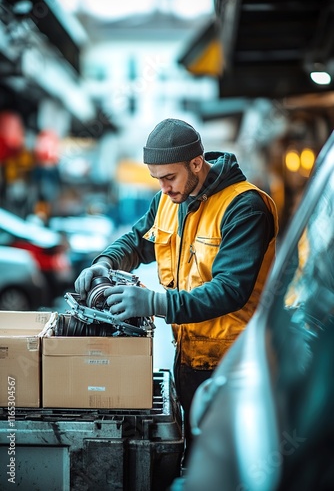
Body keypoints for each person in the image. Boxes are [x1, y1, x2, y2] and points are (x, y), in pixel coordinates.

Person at [74, 118, 279, 466]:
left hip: (235, 366)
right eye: (157, 179)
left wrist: (154, 302)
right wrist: (106, 262)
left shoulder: (245, 207)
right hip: (189, 360)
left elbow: (230, 290)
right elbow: (137, 242)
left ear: (196, 163)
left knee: (225, 468)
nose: (164, 187)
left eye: (169, 177)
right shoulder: (169, 202)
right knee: (196, 458)